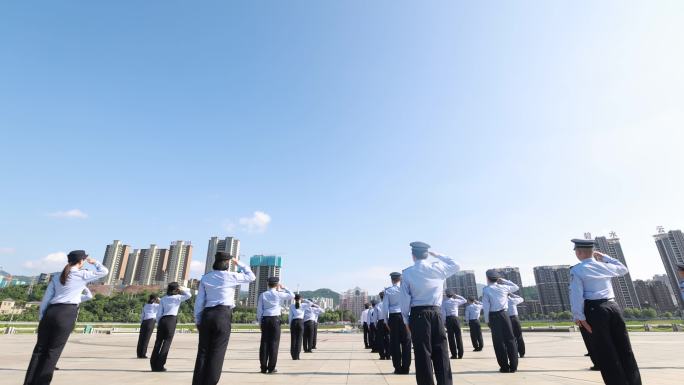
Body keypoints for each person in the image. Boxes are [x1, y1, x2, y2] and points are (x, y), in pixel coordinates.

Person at [24, 250, 108, 385]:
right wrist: (95, 262)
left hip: (50, 312)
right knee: (53, 352)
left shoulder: (57, 276)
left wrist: (42, 316)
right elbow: (104, 271)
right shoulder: (82, 274)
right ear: (81, 261)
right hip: (66, 313)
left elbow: (46, 299)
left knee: (39, 350)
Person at [569, 238, 641, 385]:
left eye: (576, 251)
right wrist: (605, 257)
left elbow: (576, 294)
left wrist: (579, 317)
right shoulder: (604, 266)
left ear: (579, 252)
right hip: (613, 307)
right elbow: (623, 269)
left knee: (606, 351)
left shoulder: (577, 270)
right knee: (625, 348)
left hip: (595, 310)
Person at [400, 242, 460, 385]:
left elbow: (404, 300)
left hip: (418, 314)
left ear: (413, 256)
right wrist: (437, 254)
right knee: (441, 352)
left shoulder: (407, 273)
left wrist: (406, 321)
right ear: (427, 254)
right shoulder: (438, 268)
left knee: (422, 354)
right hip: (436, 313)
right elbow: (456, 265)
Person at [192, 252, 255, 385]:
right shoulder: (231, 276)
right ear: (227, 263)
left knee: (203, 351)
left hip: (207, 315)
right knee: (217, 352)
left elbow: (199, 301)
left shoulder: (206, 278)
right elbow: (251, 277)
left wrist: (198, 320)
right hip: (223, 315)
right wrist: (239, 263)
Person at [483, 269, 519, 373]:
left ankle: (504, 366)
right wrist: (503, 280)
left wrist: (487, 320)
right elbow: (516, 287)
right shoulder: (504, 287)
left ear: (487, 278)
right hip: (505, 315)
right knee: (510, 339)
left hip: (494, 316)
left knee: (498, 342)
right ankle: (514, 366)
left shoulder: (486, 290)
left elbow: (486, 307)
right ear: (497, 279)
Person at [150, 282, 192, 372]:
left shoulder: (164, 299)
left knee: (158, 342)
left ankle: (153, 365)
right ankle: (160, 365)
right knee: (167, 343)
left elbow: (159, 313)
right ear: (176, 289)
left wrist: (159, 323)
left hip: (162, 320)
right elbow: (189, 294)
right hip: (171, 320)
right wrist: (181, 288)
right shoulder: (178, 298)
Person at [257, 276, 294, 374]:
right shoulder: (279, 294)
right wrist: (284, 287)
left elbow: (259, 310)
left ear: (268, 284)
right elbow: (292, 295)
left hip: (265, 319)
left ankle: (263, 367)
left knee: (264, 343)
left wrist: (260, 322)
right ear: (277, 284)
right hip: (275, 320)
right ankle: (271, 367)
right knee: (274, 343)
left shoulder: (263, 295)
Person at [383, 272, 411, 374]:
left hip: (394, 318)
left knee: (395, 344)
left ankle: (397, 368)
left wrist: (386, 321)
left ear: (392, 280)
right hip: (405, 316)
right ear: (400, 279)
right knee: (407, 343)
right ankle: (406, 368)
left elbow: (385, 308)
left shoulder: (388, 291)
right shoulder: (406, 289)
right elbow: (410, 303)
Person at [441, 290, 467, 359]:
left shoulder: (444, 303)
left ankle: (454, 354)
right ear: (452, 295)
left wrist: (444, 322)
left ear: (446, 295)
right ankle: (460, 354)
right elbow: (465, 300)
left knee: (451, 337)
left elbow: (443, 314)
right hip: (456, 319)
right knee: (458, 336)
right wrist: (456, 295)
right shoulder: (456, 301)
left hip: (449, 319)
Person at [137, 294, 160, 358]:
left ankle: (139, 353)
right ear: (155, 299)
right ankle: (143, 354)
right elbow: (163, 304)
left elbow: (142, 315)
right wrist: (158, 299)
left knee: (141, 338)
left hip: (144, 321)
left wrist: (141, 323)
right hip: (151, 322)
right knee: (146, 339)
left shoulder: (146, 305)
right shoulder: (156, 305)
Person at [289, 294, 308, 360]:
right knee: (299, 339)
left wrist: (290, 325)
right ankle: (297, 355)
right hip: (300, 322)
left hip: (294, 322)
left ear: (294, 299)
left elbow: (290, 317)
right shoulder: (303, 305)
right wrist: (304, 300)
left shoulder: (291, 306)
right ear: (300, 299)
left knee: (293, 339)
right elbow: (311, 303)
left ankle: (293, 355)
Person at [507, 293, 526, 358]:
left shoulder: (501, 301)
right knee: (519, 336)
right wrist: (512, 294)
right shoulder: (512, 300)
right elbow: (521, 299)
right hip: (515, 319)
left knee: (510, 337)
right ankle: (522, 353)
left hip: (507, 319)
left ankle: (514, 353)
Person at [374, 291, 390, 360]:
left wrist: (375, 325)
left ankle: (382, 356)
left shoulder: (377, 305)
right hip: (388, 321)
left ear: (380, 297)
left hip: (380, 322)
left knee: (380, 340)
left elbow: (375, 317)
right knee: (388, 339)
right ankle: (388, 355)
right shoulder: (389, 304)